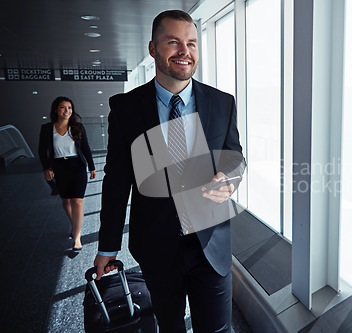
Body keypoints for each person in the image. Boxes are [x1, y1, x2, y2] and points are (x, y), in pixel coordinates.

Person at [93, 9, 246, 333]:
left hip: (211, 245)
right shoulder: (126, 108)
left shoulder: (222, 103)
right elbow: (118, 181)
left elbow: (234, 156)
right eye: (173, 42)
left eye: (191, 43)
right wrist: (107, 246)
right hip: (157, 244)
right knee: (169, 326)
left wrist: (228, 179)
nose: (184, 52)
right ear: (152, 49)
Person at [39, 96, 96, 250]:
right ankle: (75, 224)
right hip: (59, 167)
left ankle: (77, 237)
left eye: (69, 107)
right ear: (56, 110)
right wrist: (47, 168)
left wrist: (91, 166)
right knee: (65, 201)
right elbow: (42, 151)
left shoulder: (78, 127)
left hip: (77, 166)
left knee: (77, 201)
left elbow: (86, 148)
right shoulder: (47, 129)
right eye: (63, 107)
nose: (67, 111)